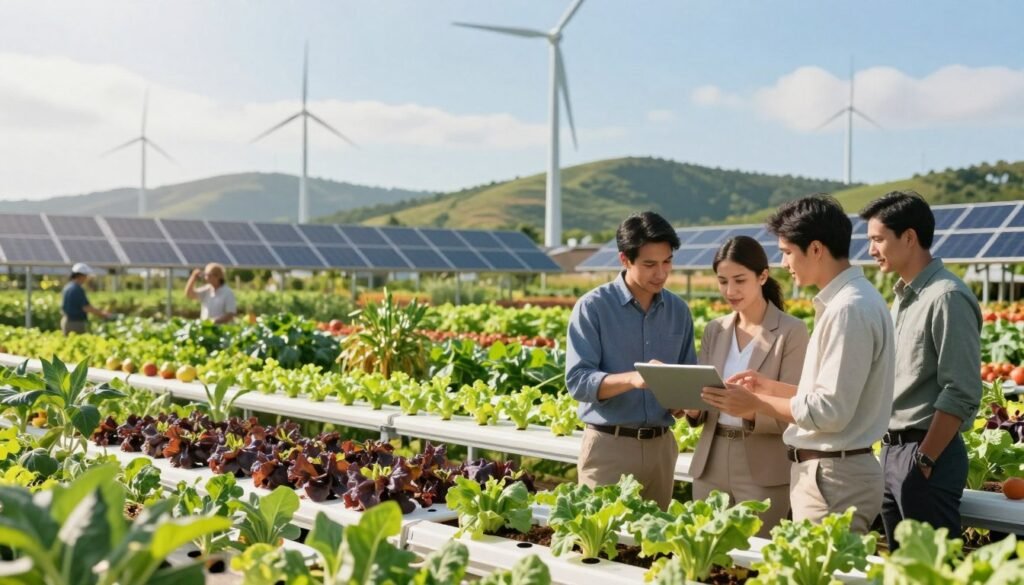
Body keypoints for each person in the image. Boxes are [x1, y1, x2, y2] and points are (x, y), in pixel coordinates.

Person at [702, 194, 895, 533]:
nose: (784, 263)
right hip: (834, 473)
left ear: (816, 249)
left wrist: (757, 403)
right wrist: (769, 387)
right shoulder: (852, 301)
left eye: (788, 252)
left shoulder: (848, 309)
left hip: (833, 478)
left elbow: (829, 411)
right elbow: (834, 397)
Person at [859, 191, 981, 549]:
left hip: (926, 452)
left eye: (878, 239)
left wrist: (924, 460)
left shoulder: (946, 296)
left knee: (932, 570)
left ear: (909, 237)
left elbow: (960, 390)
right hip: (893, 451)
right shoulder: (903, 299)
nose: (871, 250)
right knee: (904, 567)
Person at [565, 211, 697, 510]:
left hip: (662, 449)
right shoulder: (593, 308)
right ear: (625, 259)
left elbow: (686, 381)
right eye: (650, 264)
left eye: (667, 262)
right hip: (609, 448)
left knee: (653, 548)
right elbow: (578, 382)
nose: (661, 273)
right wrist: (633, 379)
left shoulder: (679, 311)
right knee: (602, 545)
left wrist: (686, 401)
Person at [684, 236, 809, 536]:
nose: (730, 291)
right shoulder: (715, 329)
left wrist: (751, 411)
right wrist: (690, 406)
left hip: (764, 467)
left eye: (739, 280)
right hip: (710, 462)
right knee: (706, 555)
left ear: (762, 276)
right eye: (722, 281)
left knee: (756, 564)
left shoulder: (792, 332)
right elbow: (702, 405)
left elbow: (797, 405)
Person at [60, 262, 110, 335]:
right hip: (75, 323)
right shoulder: (77, 289)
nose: (86, 278)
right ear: (80, 276)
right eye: (85, 275)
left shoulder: (67, 287)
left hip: (66, 321)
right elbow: (86, 307)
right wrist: (102, 314)